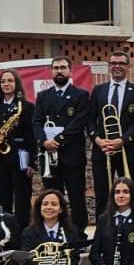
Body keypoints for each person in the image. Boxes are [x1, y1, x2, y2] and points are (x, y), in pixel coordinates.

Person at [33, 56, 90, 233]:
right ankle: (54, 232)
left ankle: (79, 234)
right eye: (56, 68)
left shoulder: (80, 95)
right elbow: (36, 121)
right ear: (51, 71)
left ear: (70, 71)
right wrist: (44, 141)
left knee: (76, 197)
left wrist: (57, 140)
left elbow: (79, 122)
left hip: (72, 155)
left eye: (63, 67)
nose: (59, 71)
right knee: (51, 198)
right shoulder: (43, 96)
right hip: (49, 157)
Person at [90, 49, 134, 216]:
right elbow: (90, 119)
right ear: (109, 66)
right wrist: (98, 140)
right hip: (102, 150)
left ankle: (130, 227)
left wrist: (122, 140)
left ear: (128, 66)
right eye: (113, 63)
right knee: (102, 194)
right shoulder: (98, 90)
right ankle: (103, 231)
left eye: (121, 63)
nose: (117, 66)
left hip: (127, 150)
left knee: (129, 193)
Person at [0, 69, 35, 231]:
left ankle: (22, 232)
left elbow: (31, 137)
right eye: (3, 81)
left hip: (21, 156)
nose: (6, 84)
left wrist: (32, 162)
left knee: (22, 198)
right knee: (3, 197)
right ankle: (5, 232)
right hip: (0, 158)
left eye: (10, 81)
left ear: (17, 84)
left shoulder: (26, 107)